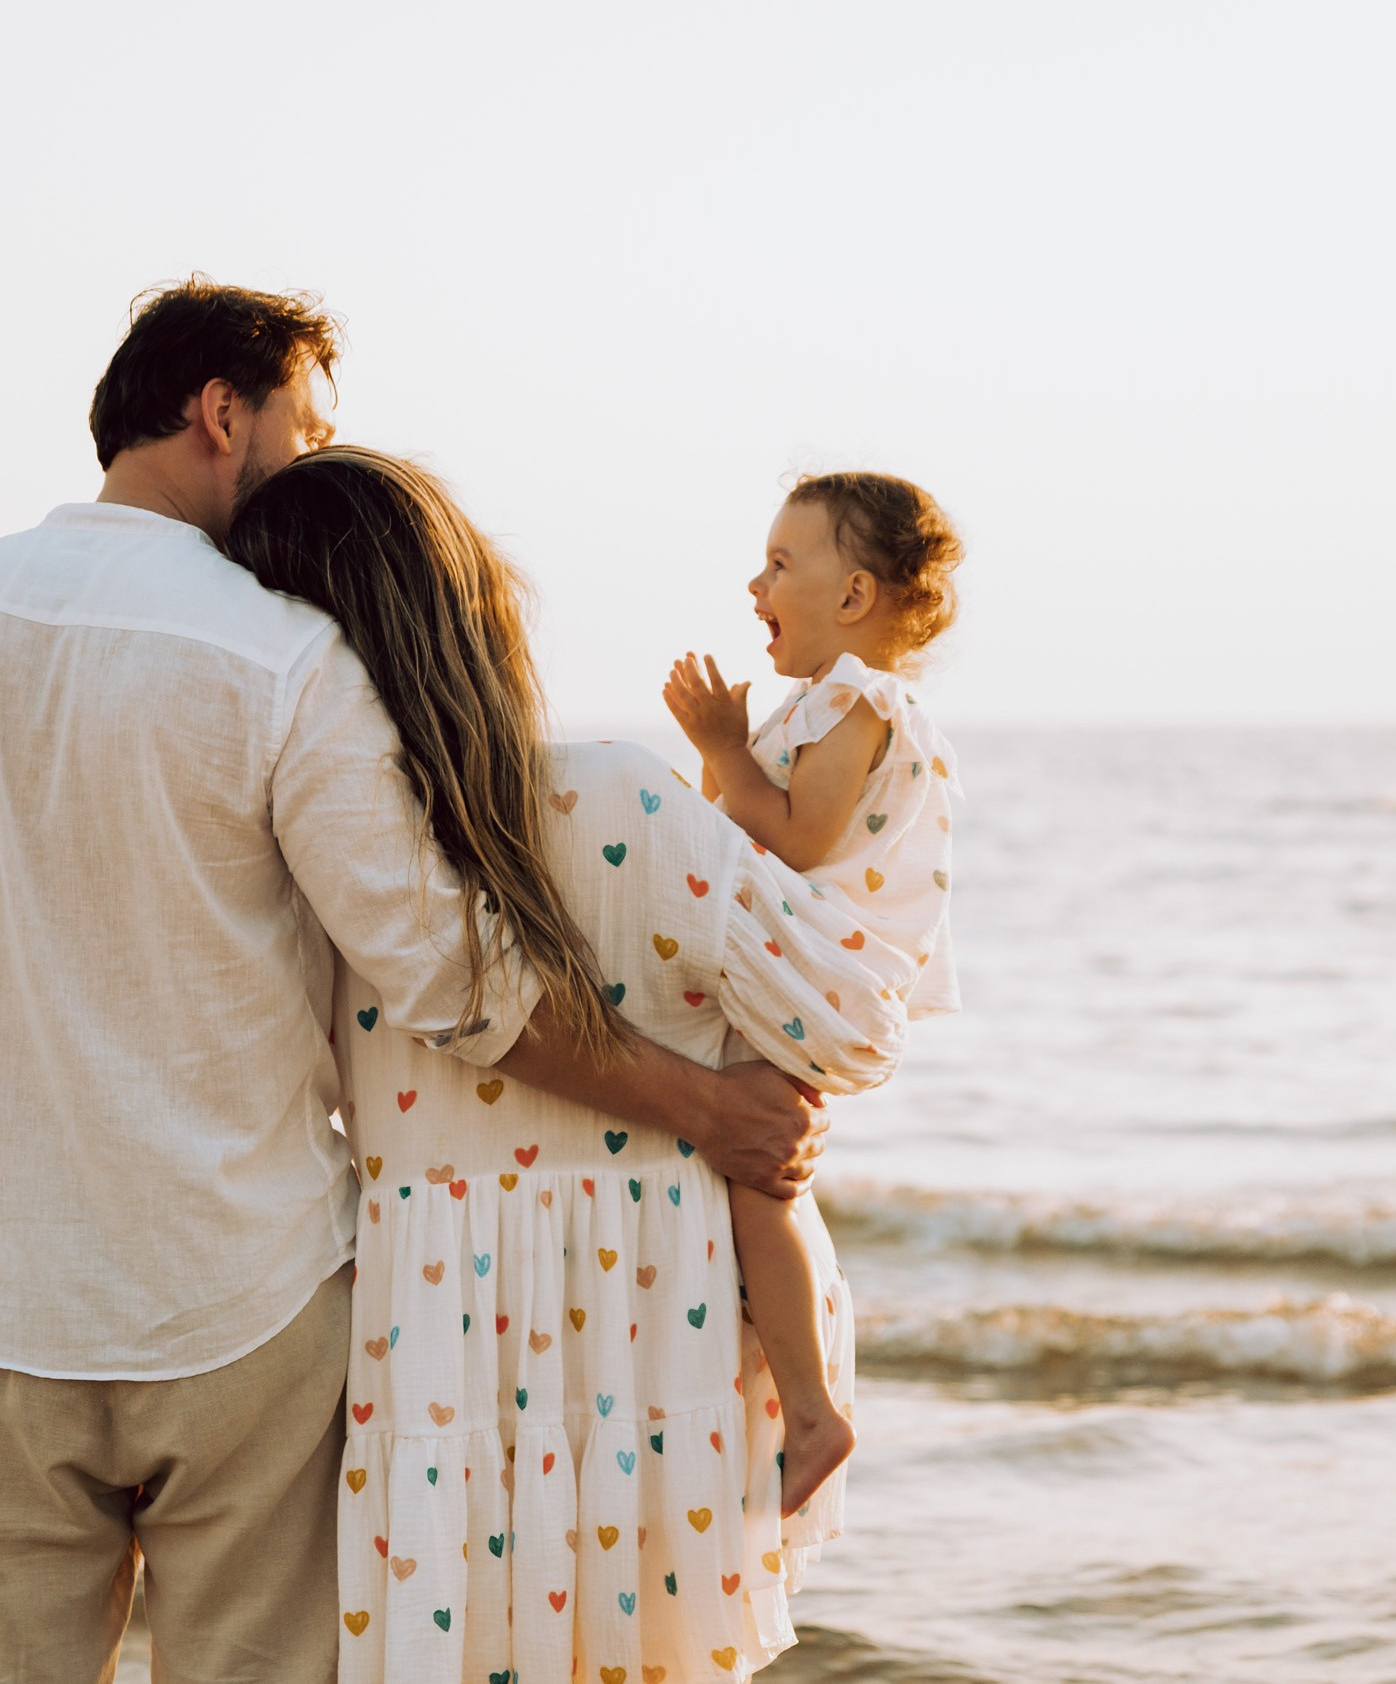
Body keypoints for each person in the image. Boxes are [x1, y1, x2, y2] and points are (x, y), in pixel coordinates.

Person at [0, 279, 830, 1682]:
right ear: (222, 413)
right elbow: (447, 976)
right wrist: (705, 1107)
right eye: (308, 424)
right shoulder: (279, 655)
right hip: (240, 1295)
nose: (317, 458)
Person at [226, 448, 921, 1684]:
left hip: (427, 1323)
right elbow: (857, 1024)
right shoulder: (618, 799)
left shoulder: (302, 858)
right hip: (649, 1309)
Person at [661, 473, 965, 1516]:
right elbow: (733, 826)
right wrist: (722, 758)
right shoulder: (821, 704)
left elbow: (792, 839)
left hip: (814, 965)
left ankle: (812, 1410)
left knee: (760, 1180)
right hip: (796, 954)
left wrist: (719, 745)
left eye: (780, 565)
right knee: (746, 1165)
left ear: (854, 595)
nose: (756, 586)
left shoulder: (857, 702)